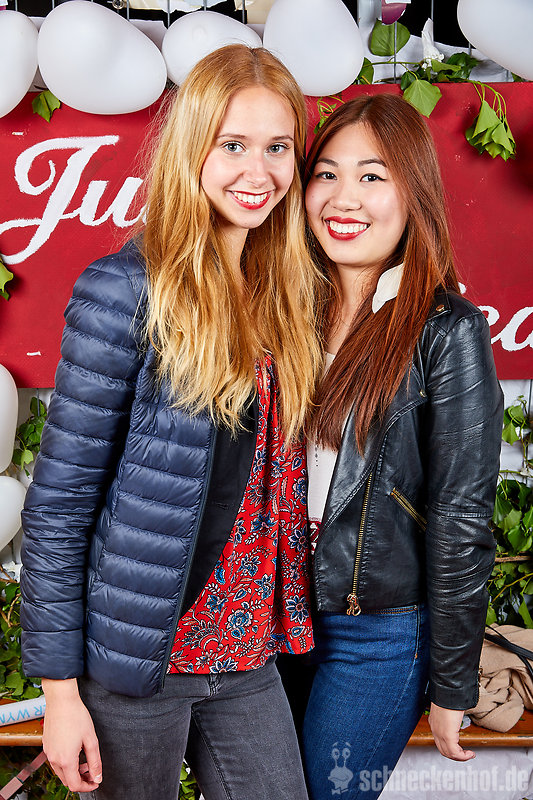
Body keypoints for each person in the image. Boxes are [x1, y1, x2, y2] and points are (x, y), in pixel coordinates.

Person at [20, 44, 322, 800]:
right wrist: (60, 695)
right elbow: (58, 506)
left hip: (249, 653)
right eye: (233, 145)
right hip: (139, 660)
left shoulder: (283, 294)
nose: (259, 172)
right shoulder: (124, 291)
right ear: (193, 148)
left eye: (278, 147)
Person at [301, 94, 503, 800]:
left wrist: (453, 682)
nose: (343, 198)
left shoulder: (447, 329)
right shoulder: (280, 311)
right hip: (270, 617)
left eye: (371, 176)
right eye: (326, 174)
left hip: (376, 636)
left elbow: (460, 515)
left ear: (412, 192)